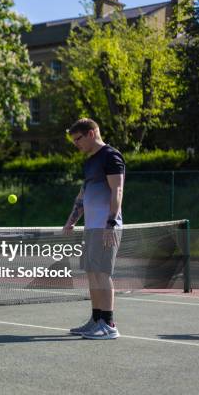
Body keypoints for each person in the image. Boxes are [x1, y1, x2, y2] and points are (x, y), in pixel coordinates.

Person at [63, 118, 125, 340]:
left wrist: (110, 223)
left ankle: (108, 324)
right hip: (91, 228)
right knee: (91, 274)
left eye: (77, 139)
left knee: (102, 274)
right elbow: (83, 195)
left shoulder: (111, 156)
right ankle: (96, 319)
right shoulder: (90, 162)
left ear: (91, 133)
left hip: (106, 227)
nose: (76, 144)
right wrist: (72, 220)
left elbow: (117, 190)